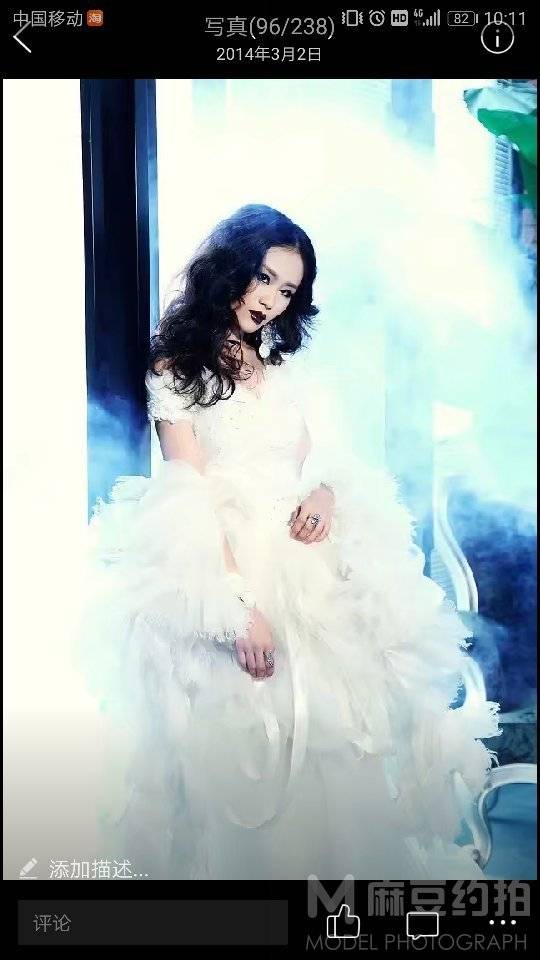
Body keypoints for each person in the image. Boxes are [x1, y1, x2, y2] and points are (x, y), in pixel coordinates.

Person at [82, 203, 501, 881]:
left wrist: (326, 493)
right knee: (246, 751)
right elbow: (186, 492)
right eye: (264, 279)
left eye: (287, 290)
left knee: (338, 747)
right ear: (231, 269)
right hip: (227, 567)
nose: (272, 300)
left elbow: (312, 457)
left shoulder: (276, 363)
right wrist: (235, 607)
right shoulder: (178, 365)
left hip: (308, 572)